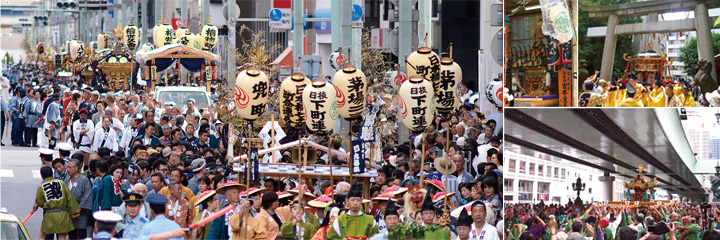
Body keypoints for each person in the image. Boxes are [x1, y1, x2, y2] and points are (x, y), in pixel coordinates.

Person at [34, 165, 81, 240]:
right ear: (52, 174)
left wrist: (43, 205)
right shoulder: (61, 183)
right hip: (62, 214)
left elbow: (39, 202)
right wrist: (75, 210)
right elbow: (69, 197)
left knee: (42, 236)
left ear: (42, 176)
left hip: (50, 215)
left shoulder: (41, 187)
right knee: (62, 236)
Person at [63, 158, 93, 240]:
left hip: (81, 214)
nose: (68, 170)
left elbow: (87, 195)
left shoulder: (84, 180)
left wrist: (79, 208)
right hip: (69, 213)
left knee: (81, 235)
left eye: (70, 167)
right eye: (67, 168)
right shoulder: (66, 180)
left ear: (76, 168)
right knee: (71, 235)